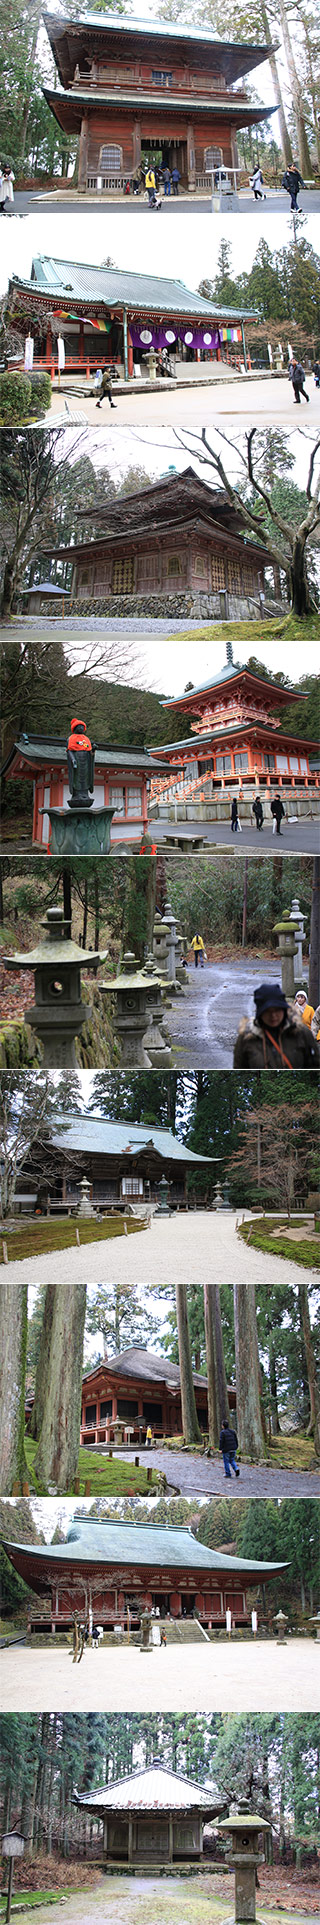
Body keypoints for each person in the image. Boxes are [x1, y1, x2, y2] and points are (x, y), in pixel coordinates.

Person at [233, 981, 320, 1068]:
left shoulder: (302, 1033)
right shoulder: (247, 1038)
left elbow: (315, 1065)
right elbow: (238, 1066)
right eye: (267, 1011)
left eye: (277, 1010)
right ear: (260, 1013)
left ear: (284, 1010)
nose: (273, 1016)